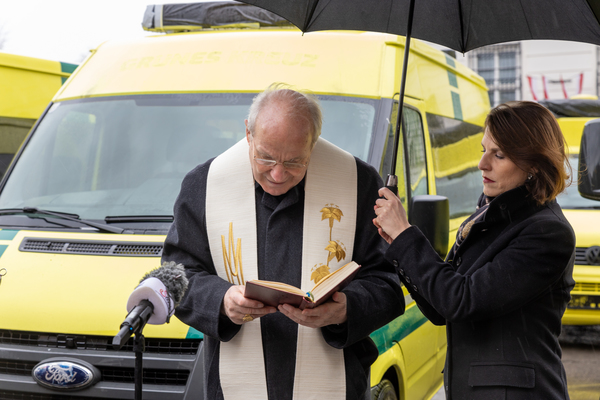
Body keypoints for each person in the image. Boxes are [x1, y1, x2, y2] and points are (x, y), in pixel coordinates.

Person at [162, 83, 404, 400]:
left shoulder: (358, 182)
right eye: (265, 158)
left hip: (337, 384)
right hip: (234, 386)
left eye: (293, 162)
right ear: (248, 133)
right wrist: (222, 301)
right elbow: (175, 276)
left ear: (313, 143)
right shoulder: (205, 184)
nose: (277, 174)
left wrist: (345, 310)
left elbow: (387, 281)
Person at [374, 101, 576, 400]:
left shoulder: (547, 232)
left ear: (534, 164)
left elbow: (462, 300)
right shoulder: (490, 217)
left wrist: (406, 235)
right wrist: (398, 245)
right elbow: (441, 308)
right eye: (483, 150)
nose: (482, 163)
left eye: (500, 155)